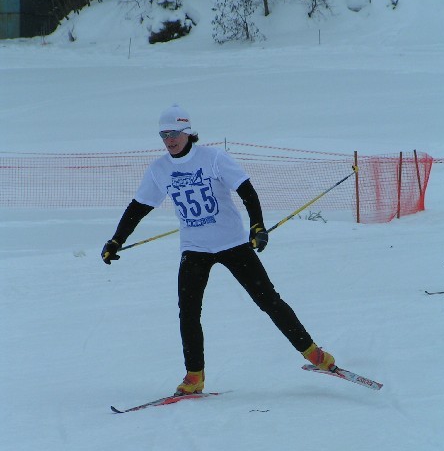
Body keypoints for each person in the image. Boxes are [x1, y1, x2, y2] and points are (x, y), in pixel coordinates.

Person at [101, 105, 336, 395]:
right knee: (188, 312)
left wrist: (257, 226)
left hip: (232, 244)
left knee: (268, 300)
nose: (169, 140)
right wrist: (116, 240)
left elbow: (246, 190)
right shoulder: (159, 169)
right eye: (163, 135)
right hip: (194, 249)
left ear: (187, 132)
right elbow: (139, 207)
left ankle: (314, 354)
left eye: (174, 133)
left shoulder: (213, 158)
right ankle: (194, 376)